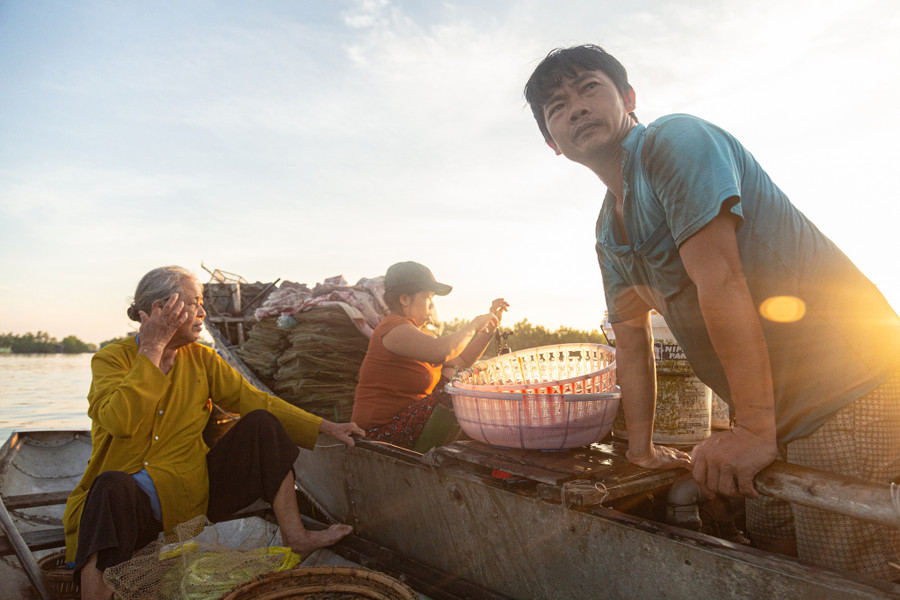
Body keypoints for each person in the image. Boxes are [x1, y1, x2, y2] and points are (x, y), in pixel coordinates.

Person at [523, 44, 900, 580]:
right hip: (771, 409)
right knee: (770, 548)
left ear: (628, 98)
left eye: (589, 87)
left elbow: (720, 279)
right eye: (557, 107)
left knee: (839, 573)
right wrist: (641, 448)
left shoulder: (674, 142)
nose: (576, 107)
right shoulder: (610, 228)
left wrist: (750, 428)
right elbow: (631, 338)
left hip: (844, 390)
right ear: (552, 144)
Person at [63, 266, 365, 600]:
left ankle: (297, 535)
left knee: (262, 423)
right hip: (129, 508)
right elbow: (119, 422)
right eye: (194, 303)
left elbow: (257, 401)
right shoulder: (111, 360)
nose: (203, 312)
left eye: (201, 302)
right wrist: (152, 348)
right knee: (109, 486)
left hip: (189, 498)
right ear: (160, 311)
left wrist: (325, 426)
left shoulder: (202, 359)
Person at [351, 261, 508, 450]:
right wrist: (473, 324)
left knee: (454, 373)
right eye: (428, 298)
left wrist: (488, 330)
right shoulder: (393, 329)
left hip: (404, 424)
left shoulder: (416, 333)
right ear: (405, 299)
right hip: (378, 434)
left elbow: (461, 361)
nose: (432, 306)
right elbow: (442, 351)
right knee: (455, 393)